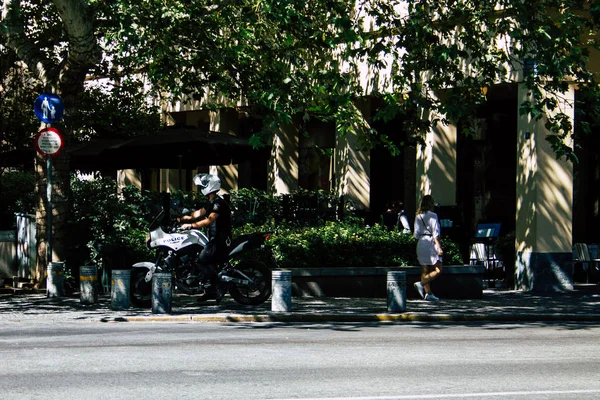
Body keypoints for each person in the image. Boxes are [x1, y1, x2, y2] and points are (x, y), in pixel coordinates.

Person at [179, 173, 232, 303]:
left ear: (209, 186)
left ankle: (217, 288)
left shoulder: (218, 204)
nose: (201, 188)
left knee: (201, 260)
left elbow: (209, 220)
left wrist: (190, 226)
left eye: (203, 185)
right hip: (214, 239)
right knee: (206, 261)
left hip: (220, 240)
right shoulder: (211, 202)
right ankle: (210, 290)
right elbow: (197, 213)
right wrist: (180, 218)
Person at [413, 194, 443, 302]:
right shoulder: (433, 215)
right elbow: (436, 233)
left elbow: (416, 234)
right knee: (438, 269)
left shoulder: (418, 216)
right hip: (431, 242)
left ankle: (428, 294)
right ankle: (420, 284)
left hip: (421, 242)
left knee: (425, 269)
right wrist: (439, 247)